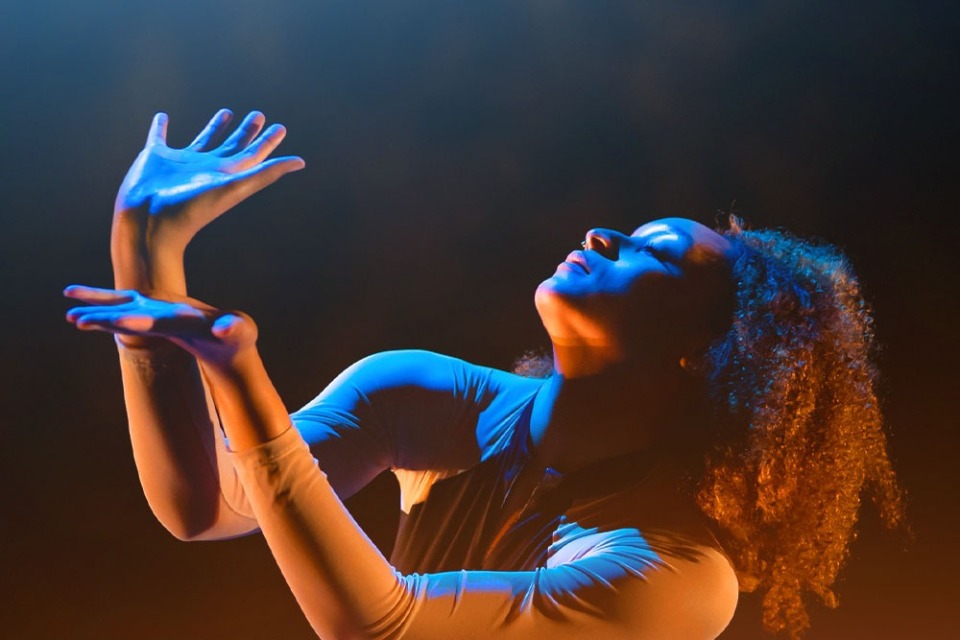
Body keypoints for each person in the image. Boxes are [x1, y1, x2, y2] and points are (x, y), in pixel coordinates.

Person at [65, 111, 905, 640]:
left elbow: (379, 625)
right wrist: (145, 250)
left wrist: (240, 376)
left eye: (656, 254)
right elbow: (207, 506)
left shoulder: (675, 576)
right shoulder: (417, 394)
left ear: (706, 349)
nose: (604, 234)